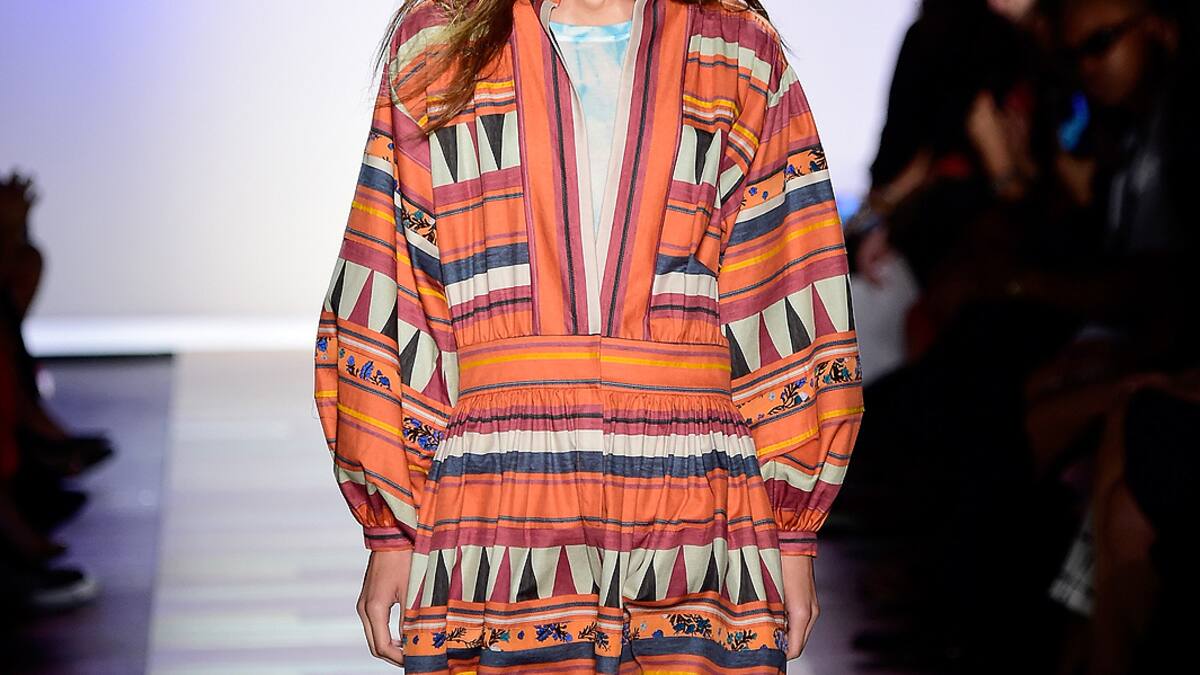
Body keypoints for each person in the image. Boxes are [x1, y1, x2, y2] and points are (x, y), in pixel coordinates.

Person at [313, 0, 864, 672]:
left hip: (690, 499)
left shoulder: (737, 49)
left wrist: (792, 531)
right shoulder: (439, 44)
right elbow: (396, 278)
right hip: (502, 495)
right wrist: (393, 528)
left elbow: (785, 281)